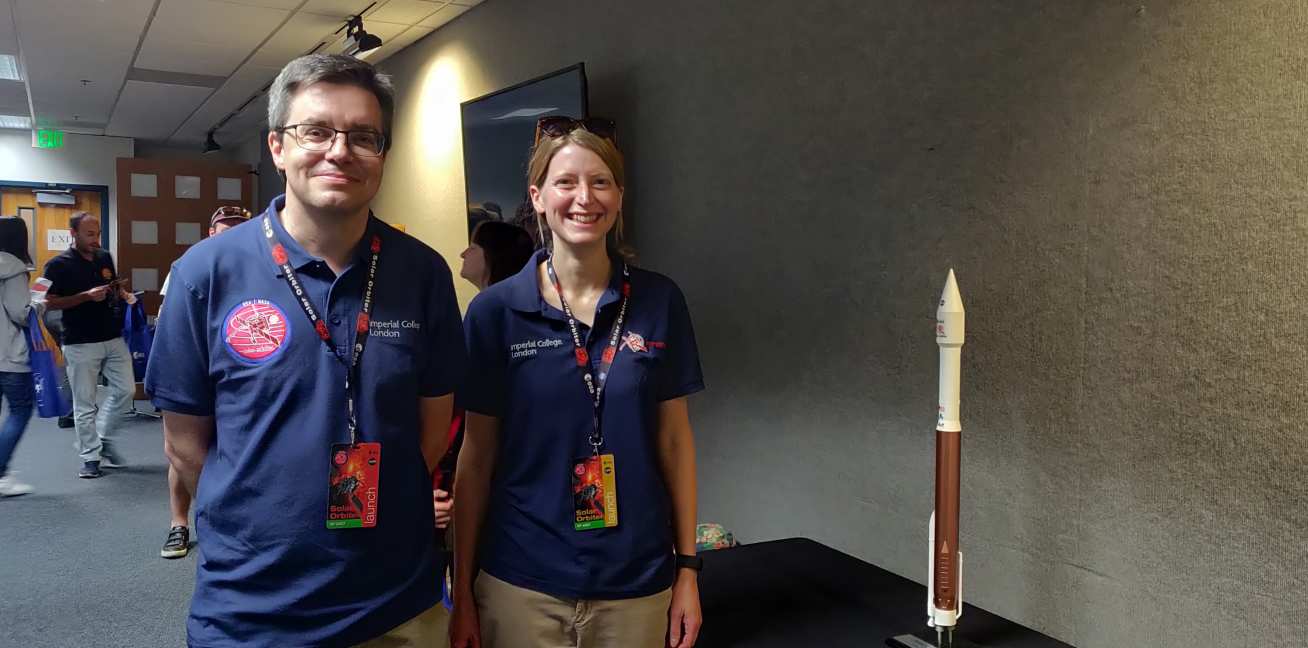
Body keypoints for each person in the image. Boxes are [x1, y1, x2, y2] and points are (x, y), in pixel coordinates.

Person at [145, 53, 466, 646]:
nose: (339, 151)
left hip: (396, 602)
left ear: (383, 156)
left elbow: (431, 431)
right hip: (252, 607)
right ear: (277, 147)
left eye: (363, 136)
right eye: (316, 130)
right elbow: (185, 445)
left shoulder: (422, 273)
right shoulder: (205, 273)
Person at [450, 117, 706, 648]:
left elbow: (676, 443)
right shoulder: (494, 313)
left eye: (600, 182)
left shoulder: (659, 301)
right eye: (566, 182)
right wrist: (463, 589)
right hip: (520, 583)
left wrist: (688, 571)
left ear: (618, 197)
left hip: (637, 583)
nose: (583, 198)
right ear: (538, 197)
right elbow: (475, 458)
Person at [157, 205, 251, 559]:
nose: (230, 232)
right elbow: (173, 325)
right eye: (224, 227)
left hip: (239, 374)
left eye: (238, 227)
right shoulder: (194, 265)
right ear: (211, 231)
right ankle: (179, 523)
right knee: (183, 451)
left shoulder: (262, 264)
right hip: (197, 371)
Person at [434, 221, 534, 540]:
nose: (464, 252)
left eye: (474, 246)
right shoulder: (489, 313)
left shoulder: (496, 314)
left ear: (493, 255)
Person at [42, 212, 136, 479]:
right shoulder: (56, 265)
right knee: (85, 403)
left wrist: (122, 293)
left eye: (98, 234)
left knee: (126, 391)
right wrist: (84, 297)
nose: (96, 240)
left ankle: (103, 438)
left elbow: (111, 285)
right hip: (79, 341)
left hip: (112, 336)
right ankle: (90, 457)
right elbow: (45, 301)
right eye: (89, 235)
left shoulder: (104, 257)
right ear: (73, 234)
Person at [0, 217, 34, 497]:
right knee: (20, 411)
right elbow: (21, 312)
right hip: (8, 354)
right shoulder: (14, 269)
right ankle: (1, 473)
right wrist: (39, 305)